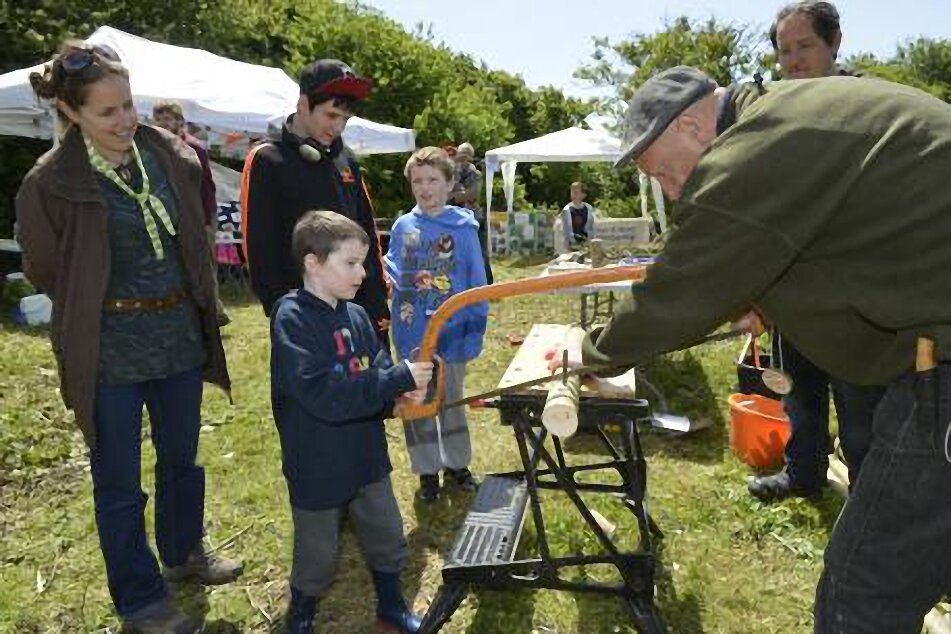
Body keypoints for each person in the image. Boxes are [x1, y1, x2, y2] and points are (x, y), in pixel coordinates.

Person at [550, 65, 951, 632]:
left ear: (691, 123)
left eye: (665, 173)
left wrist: (590, 355)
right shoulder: (792, 113)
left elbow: (679, 290)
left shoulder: (752, 149)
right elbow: (850, 241)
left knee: (861, 593)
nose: (670, 191)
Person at [15, 42, 241, 634]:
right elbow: (44, 267)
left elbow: (191, 225)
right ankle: (141, 601)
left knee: (180, 458)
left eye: (129, 104)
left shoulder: (166, 154)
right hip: (108, 346)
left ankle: (185, 552)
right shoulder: (49, 184)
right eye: (108, 112)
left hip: (176, 336)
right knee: (117, 477)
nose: (125, 120)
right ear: (71, 113)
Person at [745, 1, 884, 503]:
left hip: (853, 291)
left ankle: (869, 505)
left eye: (805, 46)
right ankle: (802, 473)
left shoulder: (866, 104)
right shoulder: (775, 112)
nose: (794, 60)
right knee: (799, 391)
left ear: (834, 43)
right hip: (794, 283)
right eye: (785, 51)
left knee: (859, 407)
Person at [271, 210, 432, 633]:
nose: (363, 273)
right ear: (313, 263)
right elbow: (321, 394)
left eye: (364, 262)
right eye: (351, 263)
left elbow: (376, 371)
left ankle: (391, 605)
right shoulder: (291, 319)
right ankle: (302, 612)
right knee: (318, 549)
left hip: (365, 455)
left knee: (385, 533)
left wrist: (398, 395)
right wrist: (394, 379)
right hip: (317, 461)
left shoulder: (357, 316)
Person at [242, 59, 390, 345]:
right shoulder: (268, 159)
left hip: (362, 307)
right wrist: (285, 312)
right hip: (305, 314)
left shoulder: (346, 159)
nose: (338, 127)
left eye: (345, 119)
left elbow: (366, 228)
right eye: (331, 115)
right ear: (303, 104)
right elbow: (259, 248)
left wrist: (378, 294)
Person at [384, 147, 488, 502]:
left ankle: (457, 464)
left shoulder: (463, 229)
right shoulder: (403, 227)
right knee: (418, 399)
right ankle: (427, 470)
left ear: (449, 184)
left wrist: (474, 323)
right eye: (417, 181)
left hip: (453, 327)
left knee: (451, 399)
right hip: (412, 330)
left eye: (432, 180)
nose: (425, 188)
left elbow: (475, 278)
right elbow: (395, 269)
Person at [152, 100, 231, 327]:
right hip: (171, 216)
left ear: (179, 121)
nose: (163, 124)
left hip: (200, 214)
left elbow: (207, 185)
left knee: (204, 265)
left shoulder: (194, 149)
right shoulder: (155, 150)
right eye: (159, 119)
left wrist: (207, 219)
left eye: (167, 118)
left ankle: (214, 311)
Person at [450, 142, 493, 284]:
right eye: (460, 155)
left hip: (474, 217)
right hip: (457, 217)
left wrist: (456, 195)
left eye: (464, 156)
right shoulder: (453, 172)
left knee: (480, 252)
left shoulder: (475, 174)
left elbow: (472, 194)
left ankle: (487, 283)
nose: (461, 159)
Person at [560, 181, 597, 250]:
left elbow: (593, 228)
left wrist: (591, 243)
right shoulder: (566, 210)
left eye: (576, 193)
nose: (573, 195)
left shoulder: (589, 209)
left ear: (583, 195)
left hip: (586, 245)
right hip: (571, 245)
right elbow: (564, 229)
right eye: (572, 192)